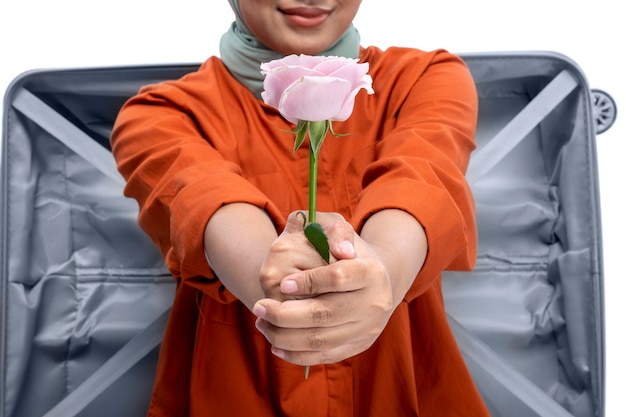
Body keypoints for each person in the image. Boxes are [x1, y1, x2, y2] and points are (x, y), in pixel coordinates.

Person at [110, 1, 490, 416]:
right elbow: (206, 203)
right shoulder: (157, 116)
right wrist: (276, 279)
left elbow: (422, 180)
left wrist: (382, 271)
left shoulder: (424, 79)